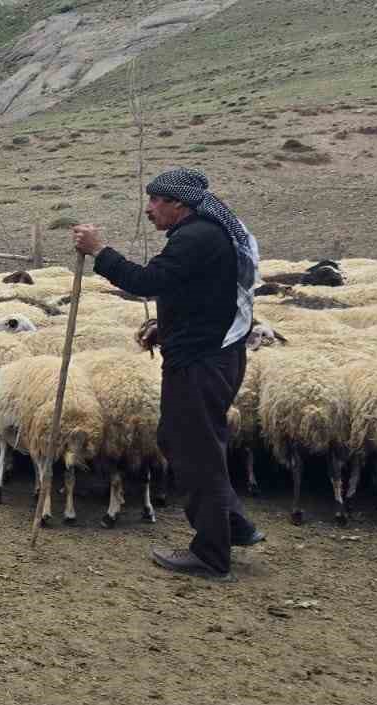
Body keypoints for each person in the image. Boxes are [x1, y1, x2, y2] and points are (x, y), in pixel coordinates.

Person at [72, 168, 265, 582]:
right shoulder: (208, 234)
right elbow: (201, 293)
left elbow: (147, 282)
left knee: (194, 450)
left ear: (179, 204)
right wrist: (169, 326)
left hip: (200, 362)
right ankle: (233, 524)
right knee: (190, 443)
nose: (149, 208)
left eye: (156, 201)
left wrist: (100, 251)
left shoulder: (196, 237)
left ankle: (211, 555)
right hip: (211, 352)